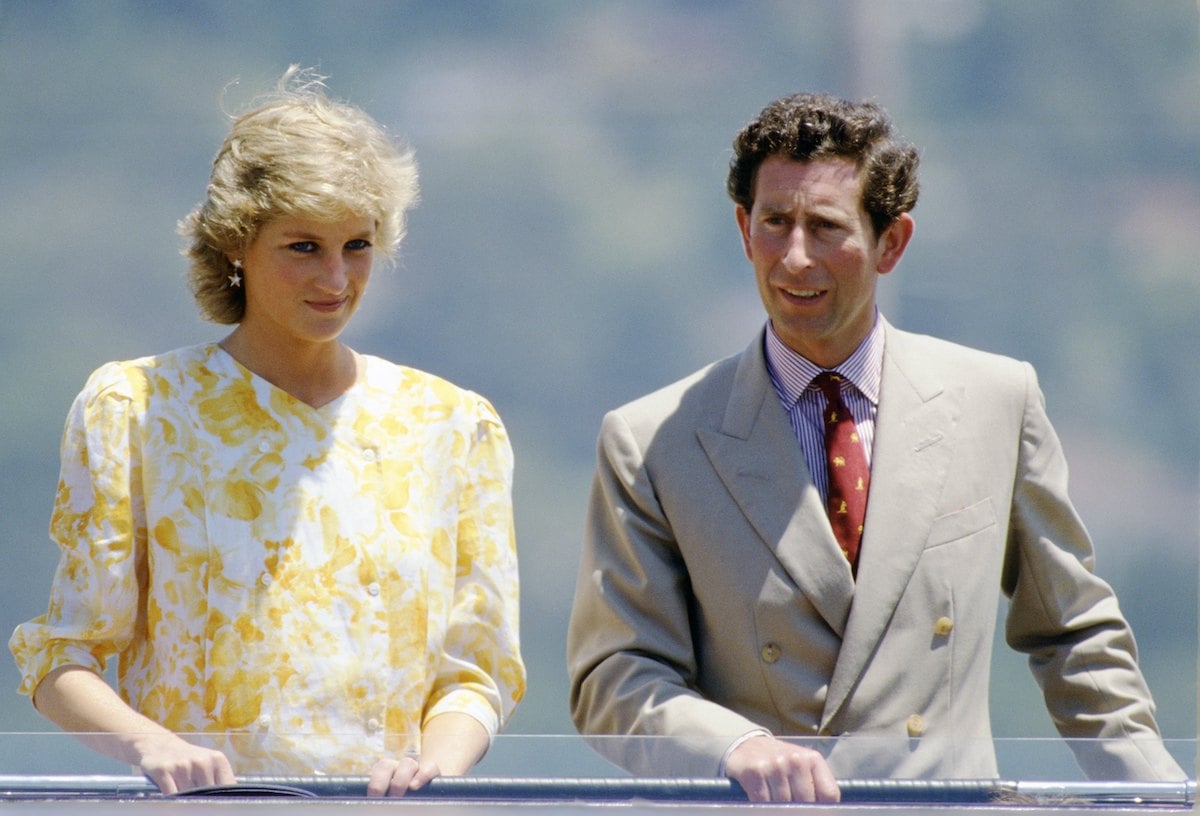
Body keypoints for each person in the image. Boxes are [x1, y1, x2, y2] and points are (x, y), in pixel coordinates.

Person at [565, 92, 1184, 803]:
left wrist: (1161, 795)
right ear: (743, 229)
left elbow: (1074, 635)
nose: (795, 258)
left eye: (826, 228)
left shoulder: (996, 401)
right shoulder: (651, 441)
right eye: (775, 223)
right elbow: (615, 674)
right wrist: (736, 747)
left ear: (893, 242)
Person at [10, 67, 525, 797]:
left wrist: (432, 767)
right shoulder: (134, 407)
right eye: (303, 247)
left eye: (358, 244)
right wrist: (153, 747)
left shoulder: (452, 424)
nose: (337, 278)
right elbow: (61, 658)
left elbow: (478, 674)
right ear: (234, 247)